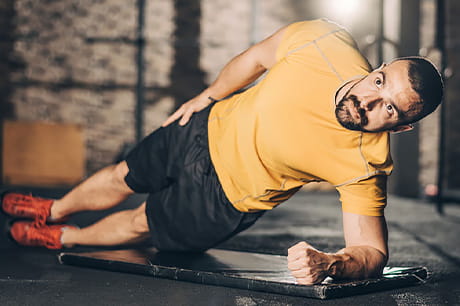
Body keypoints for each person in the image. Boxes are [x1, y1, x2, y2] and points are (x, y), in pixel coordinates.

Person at [2, 19, 443, 285]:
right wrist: (208, 95)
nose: (369, 100)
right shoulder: (323, 42)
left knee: (142, 221)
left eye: (388, 108)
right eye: (380, 82)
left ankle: (63, 236)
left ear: (401, 126)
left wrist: (332, 264)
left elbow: (371, 251)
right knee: (122, 174)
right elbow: (256, 57)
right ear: (378, 68)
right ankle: (55, 208)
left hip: (225, 199)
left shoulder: (367, 162)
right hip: (202, 130)